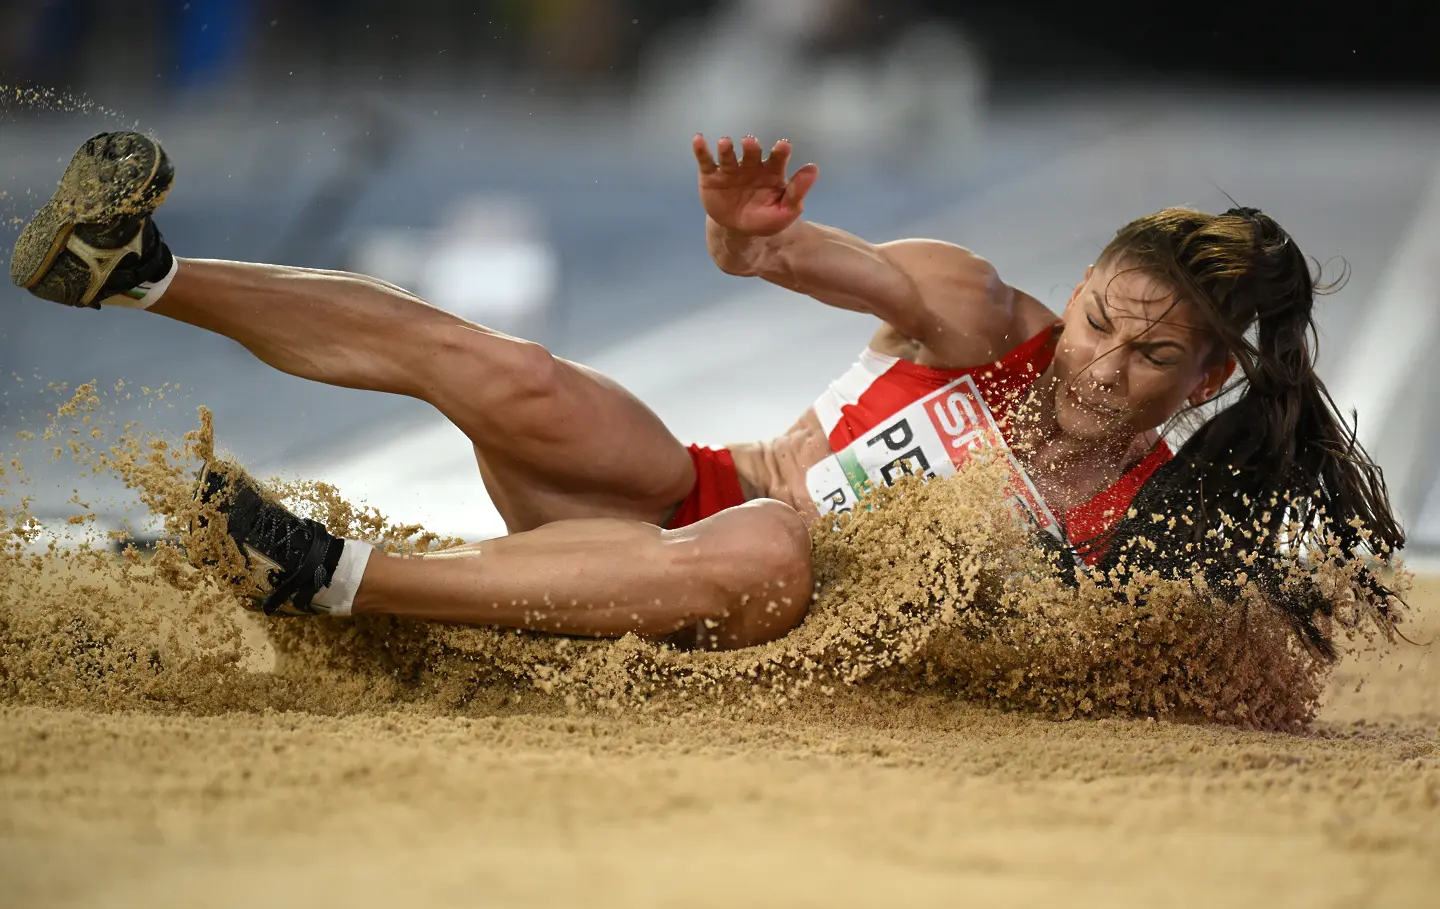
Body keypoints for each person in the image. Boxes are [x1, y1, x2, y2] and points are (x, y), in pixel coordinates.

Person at [9, 131, 1404, 654]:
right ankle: (137, 270)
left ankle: (330, 575)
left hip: (750, 609)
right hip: (669, 509)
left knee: (782, 542)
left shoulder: (1155, 520)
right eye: (1100, 319)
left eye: (1148, 358)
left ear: (1209, 377)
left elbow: (1217, 684)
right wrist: (753, 236)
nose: (1099, 365)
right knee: (521, 375)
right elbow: (807, 258)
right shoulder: (982, 314)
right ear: (1082, 286)